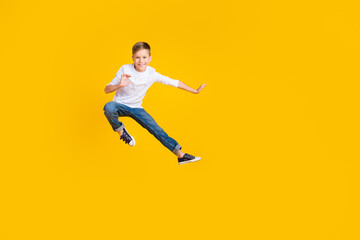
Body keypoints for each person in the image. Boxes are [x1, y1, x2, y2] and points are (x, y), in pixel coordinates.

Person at [103, 42, 206, 165]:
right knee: (109, 107)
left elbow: (173, 82)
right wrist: (119, 85)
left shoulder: (152, 74)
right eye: (137, 57)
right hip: (120, 105)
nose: (141, 61)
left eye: (144, 57)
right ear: (132, 58)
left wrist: (195, 91)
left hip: (136, 108)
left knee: (157, 130)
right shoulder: (125, 69)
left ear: (150, 58)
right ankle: (121, 131)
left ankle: (181, 155)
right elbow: (106, 89)